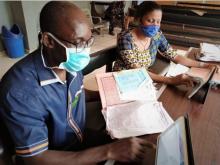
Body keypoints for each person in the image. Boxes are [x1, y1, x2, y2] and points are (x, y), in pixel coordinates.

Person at [0, 1, 154, 165]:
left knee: (139, 149)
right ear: (48, 40)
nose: (85, 51)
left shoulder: (66, 62)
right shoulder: (20, 91)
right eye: (79, 42)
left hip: (77, 137)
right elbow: (36, 158)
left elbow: (75, 91)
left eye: (88, 41)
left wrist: (109, 96)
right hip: (54, 155)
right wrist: (108, 151)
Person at [113, 1, 216, 86]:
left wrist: (204, 65)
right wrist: (171, 80)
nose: (155, 26)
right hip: (124, 81)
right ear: (139, 19)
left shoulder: (157, 36)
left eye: (158, 21)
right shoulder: (125, 38)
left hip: (144, 79)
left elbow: (175, 56)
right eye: (150, 20)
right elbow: (137, 70)